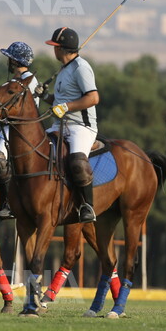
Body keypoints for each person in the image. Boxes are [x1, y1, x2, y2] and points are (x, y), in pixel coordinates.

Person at [43, 27, 99, 223]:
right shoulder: (64, 69)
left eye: (54, 47)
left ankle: (87, 206)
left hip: (81, 126)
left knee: (77, 161)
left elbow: (93, 98)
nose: (53, 50)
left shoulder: (81, 68)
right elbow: (59, 103)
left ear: (61, 49)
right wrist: (45, 96)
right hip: (59, 125)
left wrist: (66, 107)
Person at [0, 41, 39, 219]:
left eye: (9, 59)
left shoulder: (29, 82)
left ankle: (8, 202)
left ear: (16, 61)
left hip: (17, 129)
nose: (8, 62)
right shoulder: (13, 81)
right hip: (4, 126)